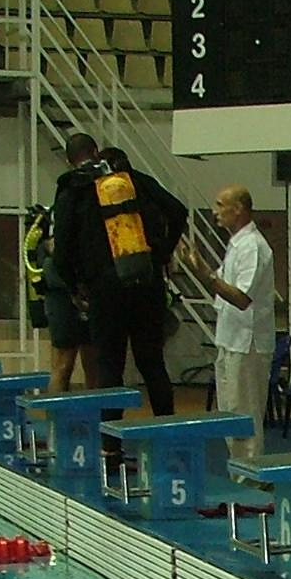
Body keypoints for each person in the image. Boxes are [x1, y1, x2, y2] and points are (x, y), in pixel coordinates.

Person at [50, 135, 187, 417]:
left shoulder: (72, 191)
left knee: (109, 368)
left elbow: (61, 253)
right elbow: (178, 210)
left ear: (69, 161)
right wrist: (161, 254)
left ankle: (111, 440)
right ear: (96, 152)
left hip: (103, 289)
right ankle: (167, 429)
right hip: (146, 281)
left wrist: (76, 287)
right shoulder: (133, 181)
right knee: (152, 363)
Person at [178, 183, 275, 461]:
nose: (214, 211)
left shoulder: (253, 247)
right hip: (230, 340)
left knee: (245, 415)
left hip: (248, 344)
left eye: (220, 205)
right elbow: (220, 284)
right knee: (231, 412)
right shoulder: (236, 245)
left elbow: (242, 298)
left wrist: (207, 274)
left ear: (239, 209)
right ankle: (240, 471)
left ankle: (251, 475)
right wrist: (199, 267)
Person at [37, 135, 100, 396]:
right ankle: (97, 419)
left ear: (67, 160)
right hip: (82, 286)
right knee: (91, 365)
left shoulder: (61, 197)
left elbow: (54, 246)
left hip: (63, 286)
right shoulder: (101, 194)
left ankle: (57, 420)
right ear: (96, 153)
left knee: (63, 364)